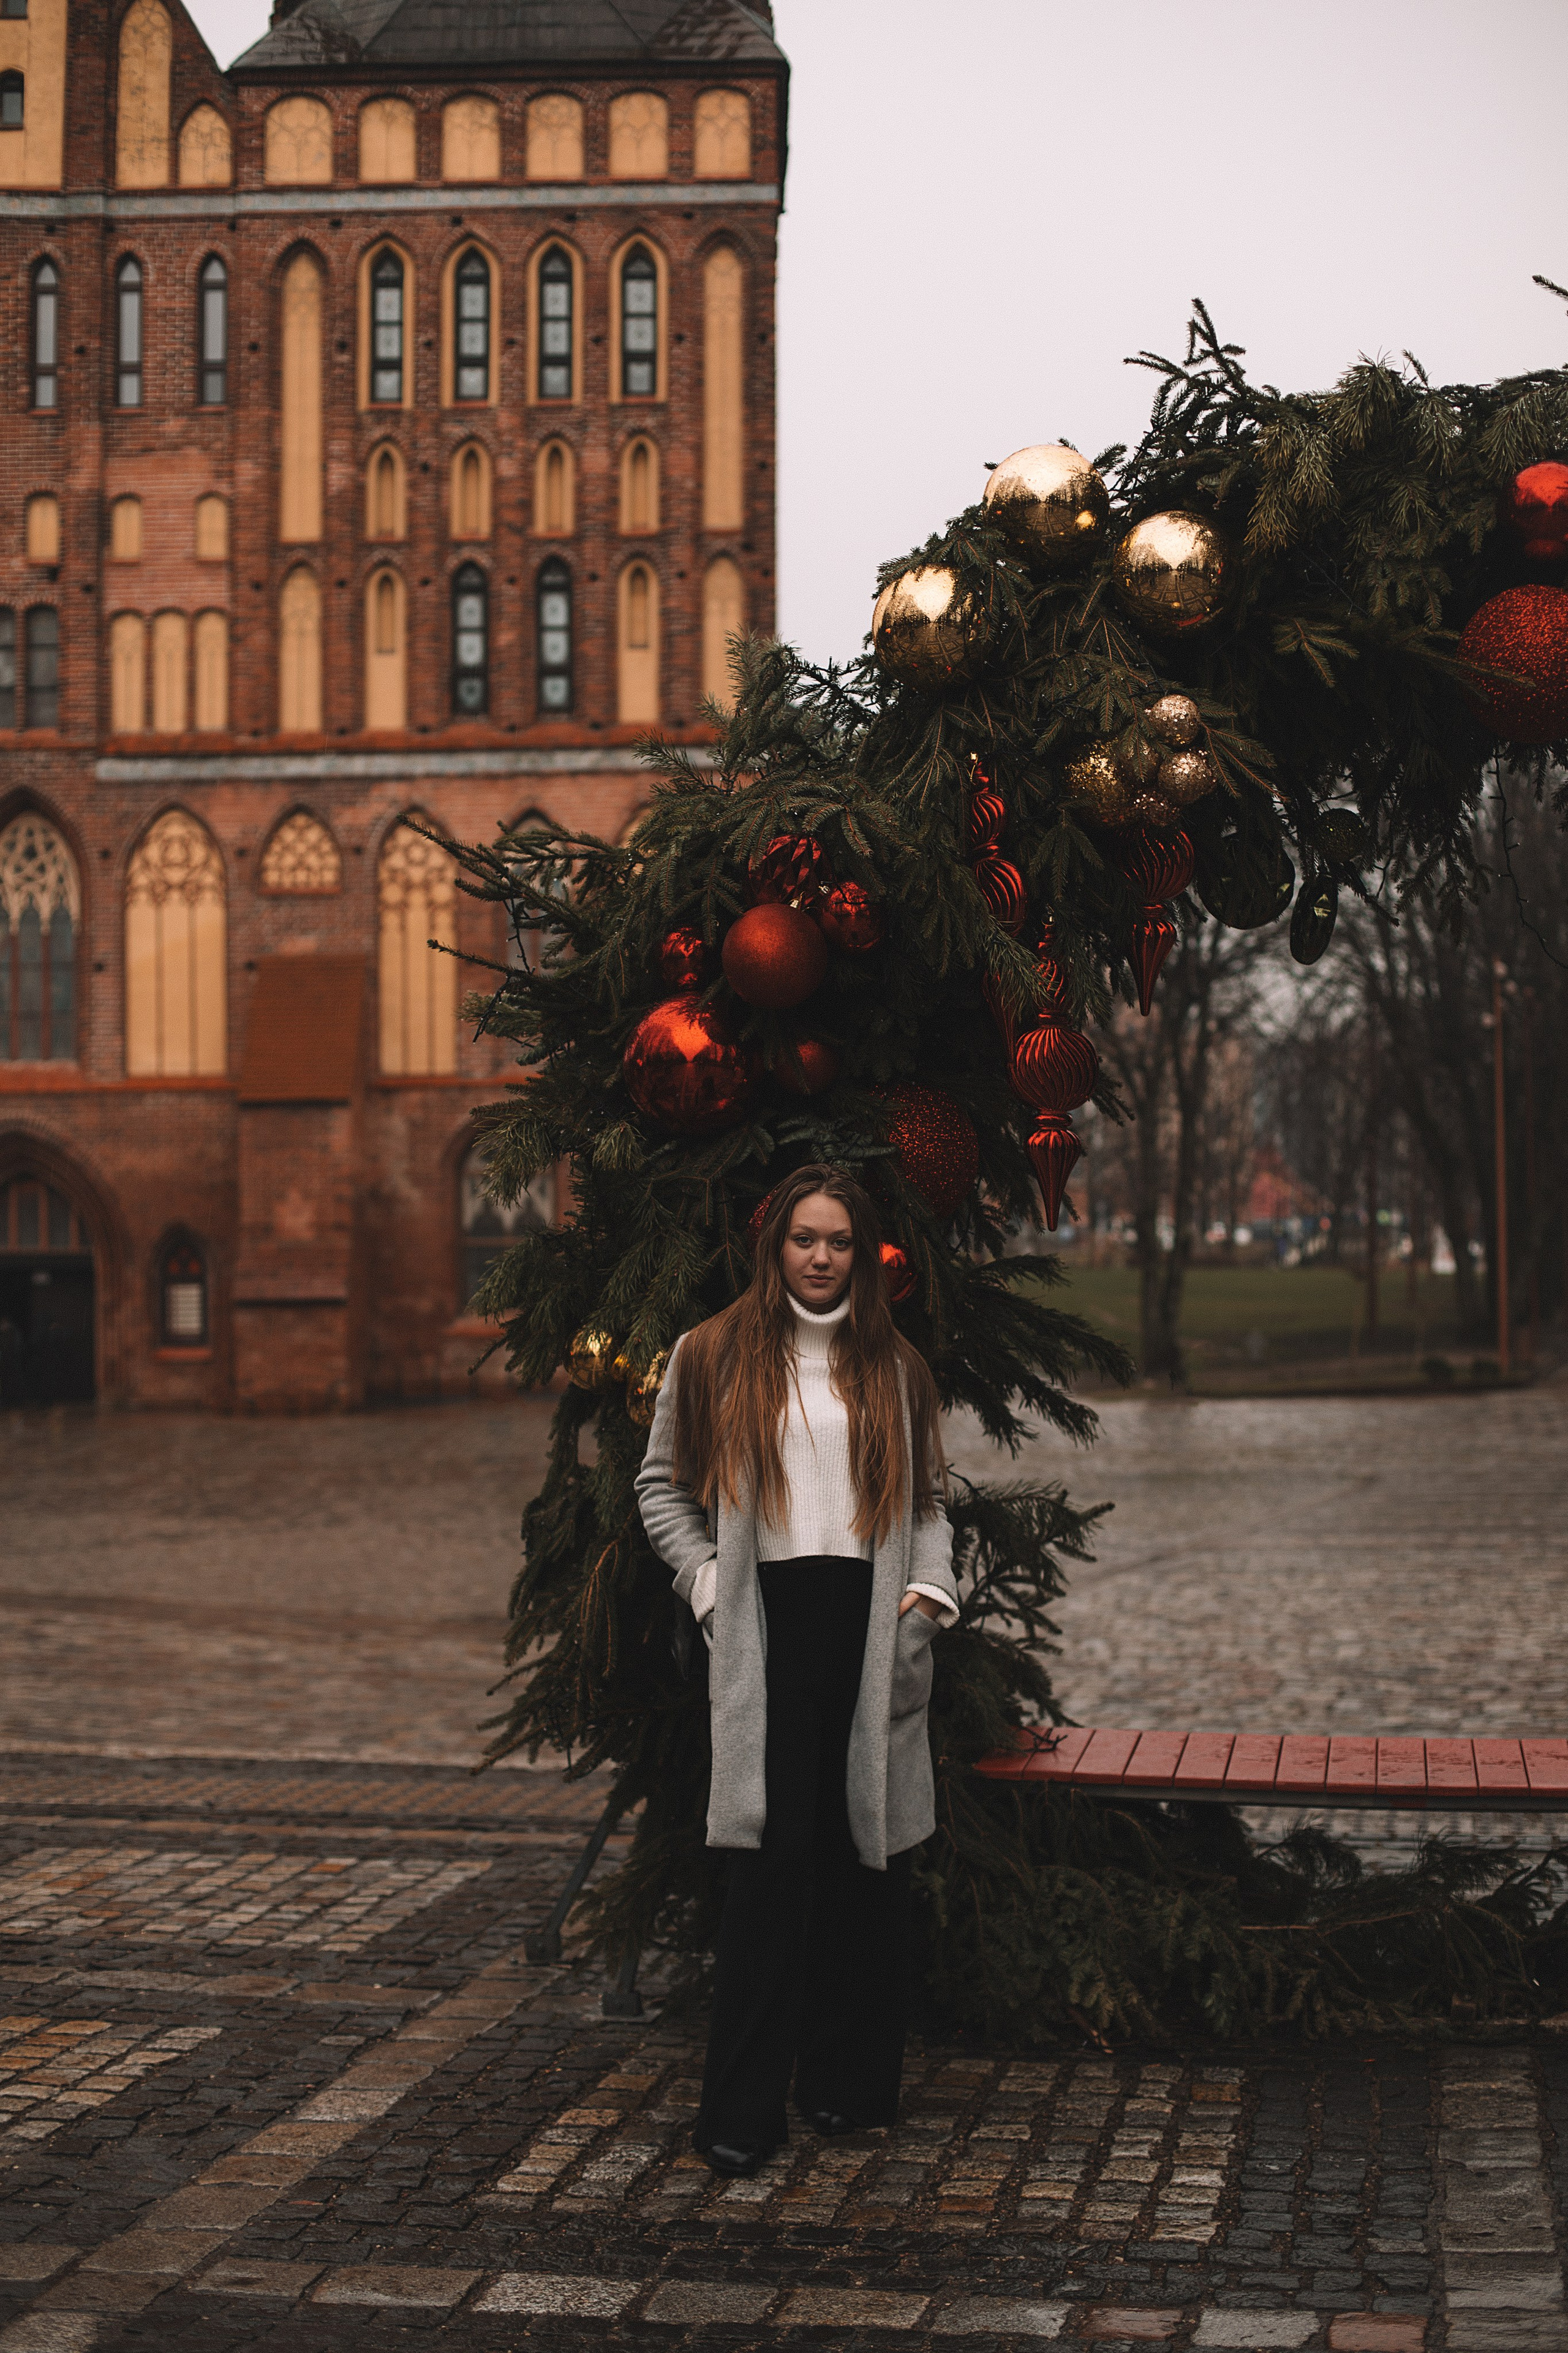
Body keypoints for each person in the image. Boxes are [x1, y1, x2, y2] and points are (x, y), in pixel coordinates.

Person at [635, 1162, 958, 2177]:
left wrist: (930, 1596)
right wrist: (703, 1582)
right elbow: (660, 1488)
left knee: (867, 1860)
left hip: (869, 1626)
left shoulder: (894, 1367)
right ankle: (741, 2113)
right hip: (765, 1629)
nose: (821, 1258)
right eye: (803, 1239)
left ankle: (847, 2090)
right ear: (773, 1246)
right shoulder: (713, 1353)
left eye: (840, 1241)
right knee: (768, 1874)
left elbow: (930, 1505)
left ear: (862, 1254)